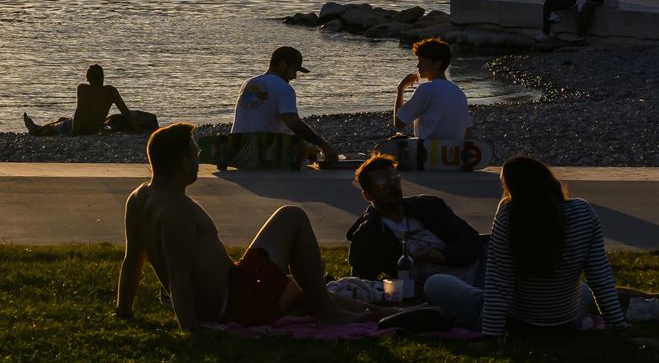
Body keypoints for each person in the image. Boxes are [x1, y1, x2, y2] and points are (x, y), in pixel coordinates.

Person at [117, 122, 377, 327]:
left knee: (298, 283)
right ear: (183, 163)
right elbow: (178, 276)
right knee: (292, 216)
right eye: (195, 155)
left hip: (233, 289)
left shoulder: (139, 198)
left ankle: (377, 312)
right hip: (234, 303)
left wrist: (124, 311)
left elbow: (132, 262)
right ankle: (329, 312)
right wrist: (192, 328)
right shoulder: (177, 210)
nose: (198, 161)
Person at [421, 157, 629, 336]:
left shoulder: (510, 216)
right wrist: (618, 324)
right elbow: (599, 275)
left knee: (436, 283)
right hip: (565, 322)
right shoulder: (584, 211)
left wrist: (491, 336)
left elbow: (498, 284)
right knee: (583, 288)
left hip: (516, 323)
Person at [345, 153, 484, 284]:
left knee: (491, 243)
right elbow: (362, 283)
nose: (392, 186)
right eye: (383, 183)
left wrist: (443, 254)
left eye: (395, 179)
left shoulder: (428, 207)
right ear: (367, 195)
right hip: (436, 286)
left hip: (475, 268)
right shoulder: (366, 236)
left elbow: (471, 238)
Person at [230, 46, 342, 165]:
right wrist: (323, 144)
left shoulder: (249, 83)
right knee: (311, 157)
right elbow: (293, 123)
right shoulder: (284, 87)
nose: (294, 77)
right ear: (283, 64)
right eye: (294, 70)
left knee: (306, 151)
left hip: (235, 148)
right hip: (261, 152)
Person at [392, 38, 474, 145]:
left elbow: (399, 122)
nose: (418, 66)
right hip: (454, 153)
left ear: (437, 64)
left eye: (422, 61)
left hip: (429, 152)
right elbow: (468, 132)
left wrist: (400, 88)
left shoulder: (426, 89)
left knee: (396, 141)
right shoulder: (458, 92)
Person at [24, 64, 139, 137]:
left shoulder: (83, 89)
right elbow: (125, 112)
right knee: (63, 120)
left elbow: (79, 111)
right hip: (94, 128)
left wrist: (75, 132)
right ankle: (38, 128)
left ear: (88, 79)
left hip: (79, 128)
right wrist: (136, 128)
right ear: (102, 77)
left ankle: (36, 130)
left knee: (57, 126)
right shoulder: (111, 91)